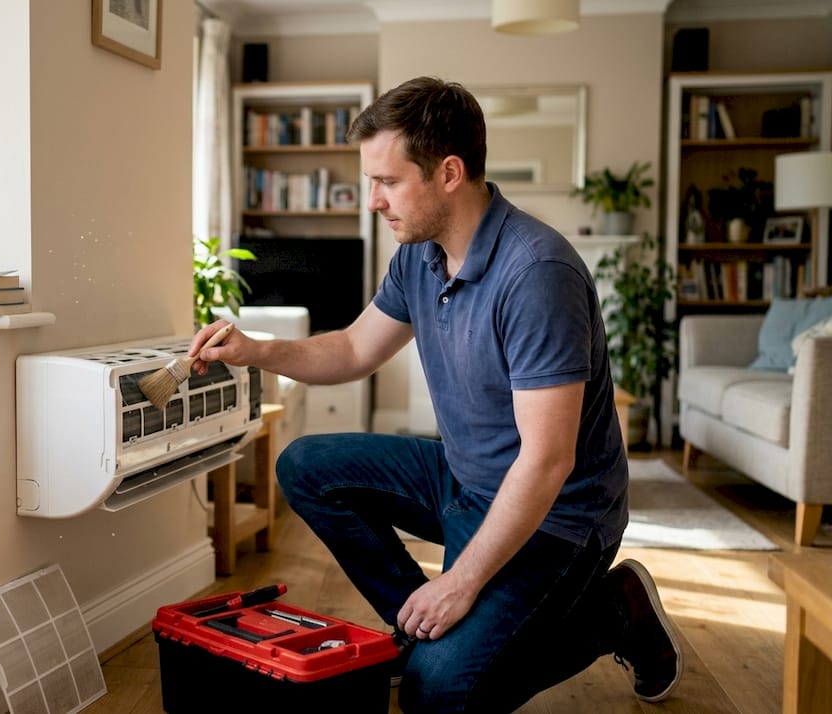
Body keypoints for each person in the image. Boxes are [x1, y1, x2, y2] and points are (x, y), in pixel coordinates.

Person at [188, 76, 682, 712]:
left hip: (560, 517)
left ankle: (613, 612)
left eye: (388, 182)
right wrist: (256, 350)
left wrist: (460, 582)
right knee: (305, 466)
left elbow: (548, 460)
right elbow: (353, 350)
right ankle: (418, 632)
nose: (373, 201)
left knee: (436, 696)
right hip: (466, 481)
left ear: (449, 172)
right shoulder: (419, 256)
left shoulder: (537, 275)